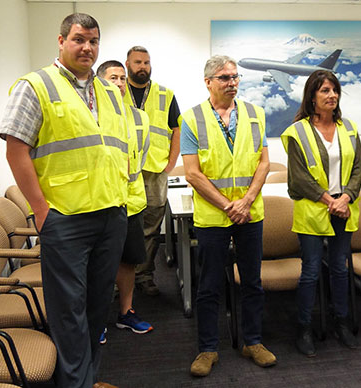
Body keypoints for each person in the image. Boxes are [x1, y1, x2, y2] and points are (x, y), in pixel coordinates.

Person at [0, 13, 127, 388]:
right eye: (78, 39)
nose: (86, 47)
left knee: (97, 309)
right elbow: (16, 151)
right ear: (61, 41)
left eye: (93, 41)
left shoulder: (108, 90)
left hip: (110, 214)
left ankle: (85, 380)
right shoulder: (36, 85)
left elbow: (112, 149)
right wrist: (41, 210)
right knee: (68, 312)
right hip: (66, 219)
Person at [180, 55, 276, 377]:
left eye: (235, 77)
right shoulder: (191, 118)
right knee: (208, 286)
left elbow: (264, 163)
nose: (232, 82)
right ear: (208, 82)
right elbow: (192, 174)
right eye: (224, 78)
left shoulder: (255, 114)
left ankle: (253, 341)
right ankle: (208, 349)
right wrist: (227, 205)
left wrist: (246, 201)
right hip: (213, 218)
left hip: (250, 214)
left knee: (252, 282)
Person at [281, 70, 361, 357]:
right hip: (313, 209)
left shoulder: (349, 128)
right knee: (311, 271)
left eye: (335, 90)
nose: (332, 96)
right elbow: (299, 178)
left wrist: (347, 197)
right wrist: (330, 200)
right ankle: (304, 327)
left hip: (344, 208)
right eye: (325, 91)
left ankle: (341, 321)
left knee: (340, 269)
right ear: (312, 97)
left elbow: (357, 169)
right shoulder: (298, 131)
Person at [96, 60, 153, 342]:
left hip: (131, 201)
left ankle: (126, 312)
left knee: (128, 262)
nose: (119, 83)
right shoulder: (90, 115)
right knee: (99, 265)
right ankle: (96, 320)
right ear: (98, 83)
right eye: (112, 78)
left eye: (121, 78)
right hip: (101, 202)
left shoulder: (139, 117)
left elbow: (139, 157)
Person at [124, 46, 181, 296]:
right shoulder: (113, 91)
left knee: (151, 227)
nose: (143, 67)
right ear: (128, 64)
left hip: (155, 171)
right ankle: (119, 279)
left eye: (146, 62)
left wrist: (170, 163)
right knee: (122, 227)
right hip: (123, 172)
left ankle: (144, 275)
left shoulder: (165, 94)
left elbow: (176, 129)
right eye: (138, 62)